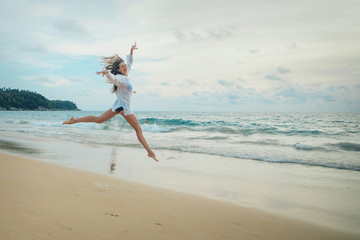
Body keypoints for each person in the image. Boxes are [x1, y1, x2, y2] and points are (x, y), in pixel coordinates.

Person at [63, 42, 158, 162]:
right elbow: (114, 79)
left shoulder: (126, 73)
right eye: (122, 66)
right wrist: (108, 73)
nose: (125, 67)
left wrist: (131, 51)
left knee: (98, 120)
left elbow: (130, 63)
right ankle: (150, 152)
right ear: (118, 70)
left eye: (125, 65)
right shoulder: (120, 78)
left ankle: (74, 121)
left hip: (119, 105)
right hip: (124, 108)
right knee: (138, 130)